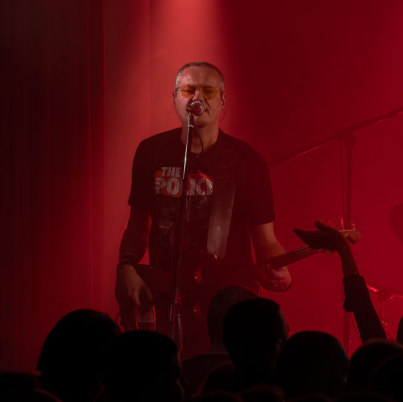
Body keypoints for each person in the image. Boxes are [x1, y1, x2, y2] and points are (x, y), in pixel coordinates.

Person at [115, 62, 290, 357]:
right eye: (188, 90)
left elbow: (266, 240)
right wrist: (127, 266)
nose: (198, 98)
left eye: (208, 90)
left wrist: (282, 273)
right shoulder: (150, 151)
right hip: (164, 294)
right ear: (175, 99)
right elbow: (137, 225)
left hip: (227, 301)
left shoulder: (247, 162)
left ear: (223, 100)